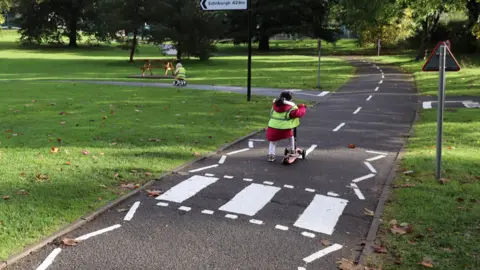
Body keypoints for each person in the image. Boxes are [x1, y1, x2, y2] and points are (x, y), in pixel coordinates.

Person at [266, 90, 307, 162]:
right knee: (291, 137)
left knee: (273, 141)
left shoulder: (275, 105)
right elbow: (298, 113)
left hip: (272, 127)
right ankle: (292, 150)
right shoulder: (290, 107)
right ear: (290, 99)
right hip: (284, 128)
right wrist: (302, 107)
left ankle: (271, 155)